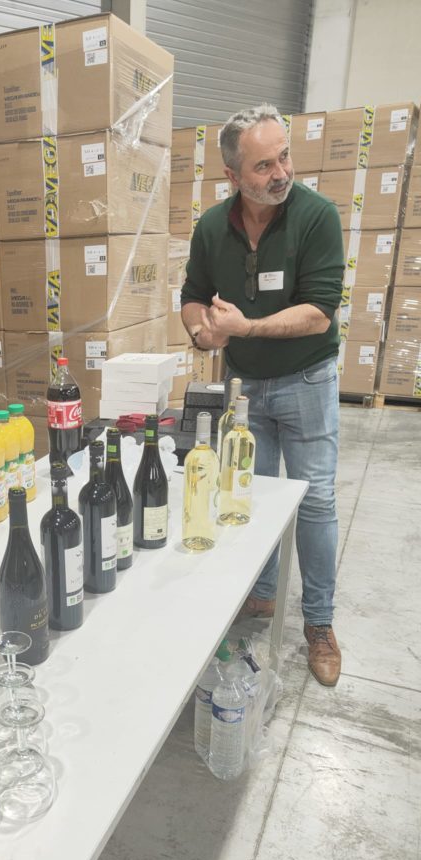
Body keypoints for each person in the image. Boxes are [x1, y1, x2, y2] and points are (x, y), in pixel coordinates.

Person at [180, 103, 345, 687]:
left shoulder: (316, 216)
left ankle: (319, 623)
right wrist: (201, 332)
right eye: (264, 166)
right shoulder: (211, 227)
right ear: (232, 175)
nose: (281, 173)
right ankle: (265, 592)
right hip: (244, 388)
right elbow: (193, 294)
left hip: (306, 381)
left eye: (284, 157)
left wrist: (245, 328)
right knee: (250, 495)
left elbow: (319, 313)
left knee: (315, 503)